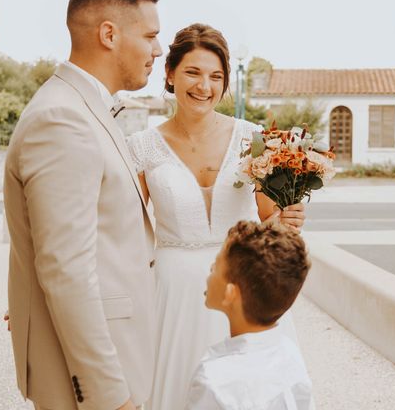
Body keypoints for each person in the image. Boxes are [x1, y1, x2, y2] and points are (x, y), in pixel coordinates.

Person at [126, 23, 308, 410]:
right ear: (171, 74)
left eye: (216, 76)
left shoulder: (253, 139)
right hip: (171, 293)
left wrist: (286, 218)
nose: (203, 87)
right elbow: (123, 232)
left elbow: (267, 220)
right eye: (192, 72)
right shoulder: (140, 147)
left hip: (241, 286)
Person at [4, 0, 162, 410]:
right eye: (150, 35)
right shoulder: (62, 120)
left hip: (118, 352)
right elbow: (65, 270)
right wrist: (109, 397)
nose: (158, 49)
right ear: (109, 35)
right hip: (93, 382)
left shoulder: (83, 109)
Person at [186, 220, 313, 409]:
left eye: (216, 265)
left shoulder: (213, 379)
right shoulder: (290, 354)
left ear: (231, 294)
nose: (211, 269)